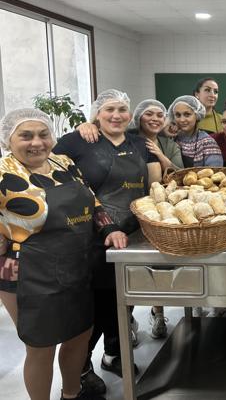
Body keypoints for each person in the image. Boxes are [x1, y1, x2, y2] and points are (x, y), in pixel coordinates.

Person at [0, 109, 126, 400]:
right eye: (26, 135)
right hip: (28, 273)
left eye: (43, 134)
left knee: (79, 335)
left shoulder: (63, 162)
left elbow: (93, 202)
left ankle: (72, 394)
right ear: (9, 139)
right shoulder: (4, 172)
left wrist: (109, 229)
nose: (37, 143)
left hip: (77, 263)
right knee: (41, 346)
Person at [53, 89, 162, 393]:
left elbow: (154, 185)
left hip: (132, 234)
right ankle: (83, 366)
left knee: (123, 300)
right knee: (95, 305)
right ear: (97, 113)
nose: (117, 115)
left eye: (122, 110)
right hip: (89, 235)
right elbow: (52, 178)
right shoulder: (77, 140)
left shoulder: (139, 142)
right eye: (109, 109)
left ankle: (114, 354)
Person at [168, 95, 223, 168]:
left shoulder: (207, 143)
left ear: (197, 115)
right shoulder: (173, 138)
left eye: (187, 114)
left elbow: (215, 172)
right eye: (178, 115)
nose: (182, 120)